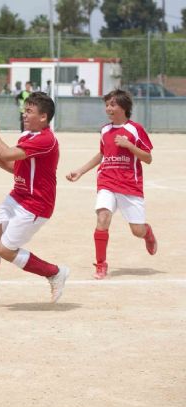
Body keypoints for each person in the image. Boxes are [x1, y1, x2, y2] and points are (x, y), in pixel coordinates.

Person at [0, 92, 70, 307]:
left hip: (36, 204)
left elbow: (6, 152)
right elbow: (17, 168)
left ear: (43, 117)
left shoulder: (46, 139)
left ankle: (55, 273)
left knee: (5, 250)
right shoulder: (27, 136)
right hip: (17, 197)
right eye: (24, 110)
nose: (24, 114)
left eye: (29, 111)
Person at [66, 89, 157, 280]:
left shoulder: (135, 129)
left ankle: (147, 233)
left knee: (137, 230)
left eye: (112, 104)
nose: (108, 108)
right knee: (103, 218)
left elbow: (148, 158)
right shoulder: (105, 130)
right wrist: (81, 171)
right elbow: (102, 154)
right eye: (106, 105)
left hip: (129, 185)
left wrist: (129, 145)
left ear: (124, 107)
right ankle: (101, 264)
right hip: (106, 181)